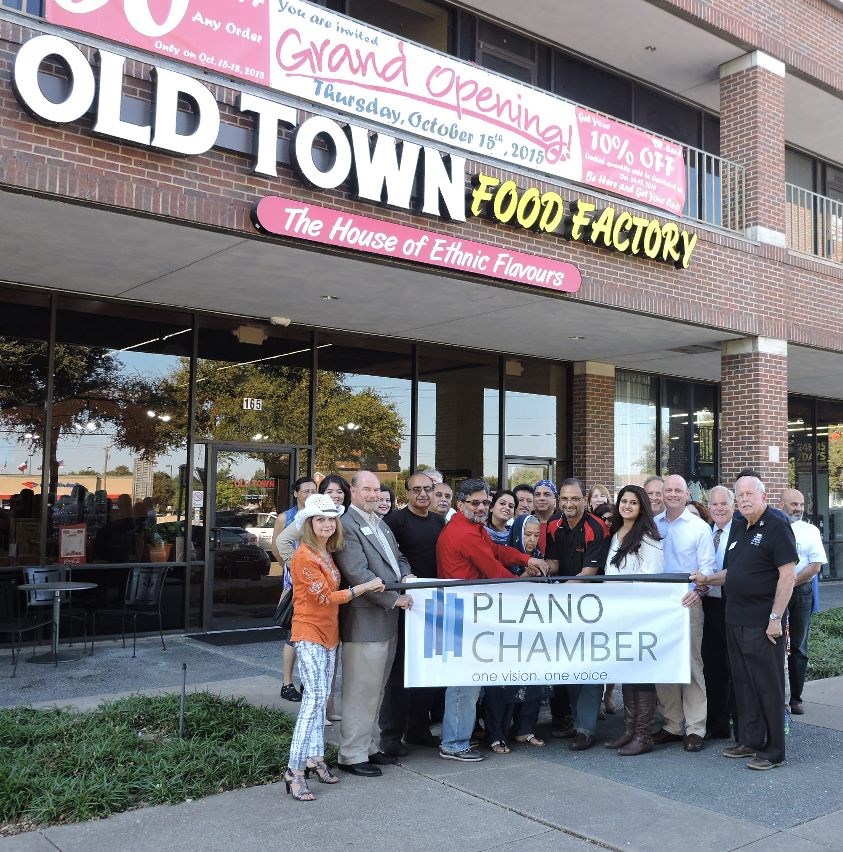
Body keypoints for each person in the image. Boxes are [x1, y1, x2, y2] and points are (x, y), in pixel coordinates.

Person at [436, 478, 549, 761]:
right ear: (459, 504)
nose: (482, 507)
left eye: (485, 502)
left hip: (472, 612)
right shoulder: (464, 533)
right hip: (465, 613)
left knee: (468, 682)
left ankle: (457, 738)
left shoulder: (474, 528)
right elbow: (494, 570)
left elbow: (497, 551)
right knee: (465, 683)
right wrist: (521, 580)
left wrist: (526, 559)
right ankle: (454, 743)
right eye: (475, 503)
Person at [692, 475, 797, 770]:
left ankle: (774, 750)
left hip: (763, 622)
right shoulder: (739, 525)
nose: (745, 499)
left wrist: (776, 618)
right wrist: (708, 579)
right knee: (743, 685)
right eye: (740, 494)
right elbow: (732, 572)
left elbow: (788, 576)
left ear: (763, 496)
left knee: (767, 685)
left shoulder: (777, 525)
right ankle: (750, 740)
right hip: (734, 618)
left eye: (750, 493)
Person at [284, 493, 385, 801]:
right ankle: (294, 771)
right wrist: (365, 587)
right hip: (309, 633)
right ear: (308, 524)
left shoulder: (325, 552)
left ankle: (315, 759)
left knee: (319, 697)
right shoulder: (304, 556)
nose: (327, 524)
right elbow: (327, 597)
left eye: (331, 519)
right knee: (313, 701)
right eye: (320, 520)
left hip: (329, 634)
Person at [334, 471, 415, 777]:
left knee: (376, 689)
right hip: (366, 620)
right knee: (360, 690)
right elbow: (357, 572)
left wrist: (406, 576)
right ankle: (351, 754)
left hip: (387, 619)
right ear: (352, 491)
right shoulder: (347, 525)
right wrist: (394, 599)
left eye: (377, 489)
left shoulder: (378, 523)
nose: (373, 494)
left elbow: (399, 558)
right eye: (366, 489)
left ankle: (368, 746)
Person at [381, 472, 445, 751]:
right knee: (400, 673)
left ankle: (418, 728)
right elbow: (389, 561)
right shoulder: (395, 522)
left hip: (434, 606)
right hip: (406, 606)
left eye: (427, 489)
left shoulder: (439, 521)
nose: (422, 494)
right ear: (406, 493)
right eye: (416, 489)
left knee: (427, 669)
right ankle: (392, 735)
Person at [545, 477, 610, 750]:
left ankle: (586, 728)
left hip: (592, 605)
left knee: (591, 666)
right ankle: (577, 720)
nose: (569, 503)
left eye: (575, 498)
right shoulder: (552, 526)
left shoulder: (598, 527)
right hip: (564, 606)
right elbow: (555, 562)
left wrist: (558, 588)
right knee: (569, 664)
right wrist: (537, 569)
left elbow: (588, 573)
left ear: (585, 500)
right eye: (565, 499)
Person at [652, 474, 716, 753]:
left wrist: (699, 590)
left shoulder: (699, 527)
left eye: (679, 490)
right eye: (669, 490)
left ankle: (695, 727)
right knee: (663, 663)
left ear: (687, 495)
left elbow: (709, 568)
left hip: (688, 602)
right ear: (662, 494)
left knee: (691, 664)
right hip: (657, 606)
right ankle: (672, 724)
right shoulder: (652, 525)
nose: (674, 494)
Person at [603, 485, 664, 756]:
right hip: (618, 613)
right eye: (623, 501)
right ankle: (629, 731)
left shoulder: (649, 538)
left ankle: (643, 735)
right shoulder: (615, 534)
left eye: (633, 502)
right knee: (627, 671)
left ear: (642, 508)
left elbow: (652, 578)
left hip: (639, 614)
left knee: (641, 674)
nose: (627, 506)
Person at [482, 514, 547, 754]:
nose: (531, 540)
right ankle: (496, 733)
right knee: (501, 685)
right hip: (504, 631)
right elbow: (501, 588)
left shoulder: (539, 559)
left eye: (536, 535)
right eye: (527, 535)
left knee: (532, 680)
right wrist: (525, 576)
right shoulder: (506, 556)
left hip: (532, 629)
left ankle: (525, 728)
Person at [780, 488, 827, 715]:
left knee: (798, 646)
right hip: (774, 594)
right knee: (775, 645)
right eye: (793, 504)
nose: (798, 508)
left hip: (800, 593)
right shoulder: (774, 527)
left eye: (800, 504)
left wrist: (790, 583)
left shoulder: (810, 531)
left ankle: (796, 698)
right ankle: (777, 695)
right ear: (782, 504)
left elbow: (816, 566)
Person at [272, 476, 318, 703]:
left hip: (316, 581)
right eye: (306, 490)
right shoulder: (285, 518)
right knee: (293, 634)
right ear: (296, 493)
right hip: (294, 581)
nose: (310, 494)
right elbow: (276, 547)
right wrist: (290, 568)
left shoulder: (319, 517)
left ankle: (306, 680)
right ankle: (287, 682)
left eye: (314, 490)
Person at [703, 485, 735, 739]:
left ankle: (738, 718)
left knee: (733, 666)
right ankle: (717, 723)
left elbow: (735, 573)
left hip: (732, 605)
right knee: (712, 667)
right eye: (714, 504)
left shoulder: (740, 532)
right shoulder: (707, 531)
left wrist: (706, 579)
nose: (719, 508)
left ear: (732, 505)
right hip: (709, 606)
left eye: (724, 503)